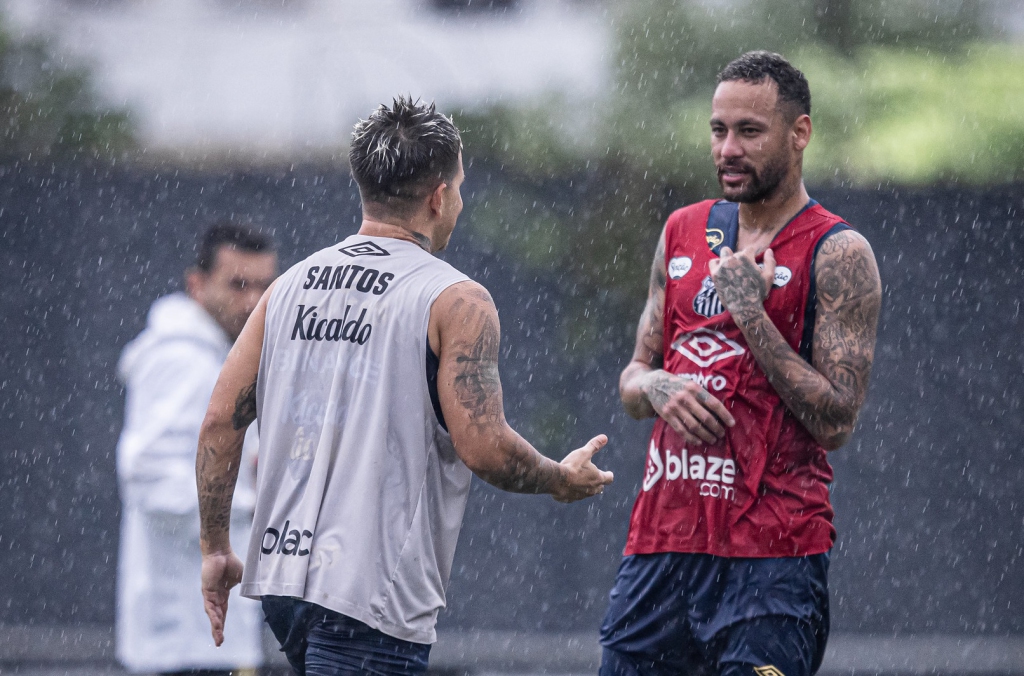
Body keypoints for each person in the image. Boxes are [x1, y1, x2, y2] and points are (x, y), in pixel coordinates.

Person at [195, 97, 615, 676]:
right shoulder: (456, 298)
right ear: (439, 195)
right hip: (371, 589)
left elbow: (220, 419)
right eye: (460, 188)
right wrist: (559, 478)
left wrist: (216, 548)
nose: (460, 204)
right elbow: (485, 447)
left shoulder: (289, 286)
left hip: (283, 580)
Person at [599, 51, 883, 676]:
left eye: (749, 132)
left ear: (799, 134)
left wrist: (751, 314)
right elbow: (631, 379)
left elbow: (836, 422)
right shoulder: (682, 230)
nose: (727, 149)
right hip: (660, 551)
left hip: (772, 563)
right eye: (718, 130)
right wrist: (657, 382)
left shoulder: (838, 252)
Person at [116, 223, 277, 675]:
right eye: (238, 284)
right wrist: (251, 500)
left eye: (264, 286)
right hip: (181, 643)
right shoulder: (179, 359)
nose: (252, 300)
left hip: (213, 640)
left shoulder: (222, 357)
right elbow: (149, 477)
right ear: (196, 285)